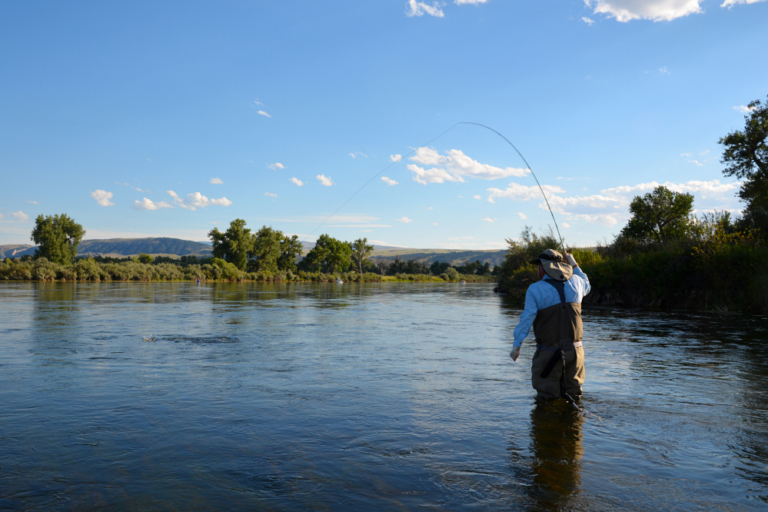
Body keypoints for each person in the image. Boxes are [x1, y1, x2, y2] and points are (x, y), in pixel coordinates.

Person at [509, 249, 590, 400]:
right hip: (575, 353)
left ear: (542, 267)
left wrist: (517, 345)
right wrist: (573, 263)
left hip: (548, 355)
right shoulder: (578, 283)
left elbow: (527, 319)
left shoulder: (535, 289)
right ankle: (574, 422)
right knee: (574, 396)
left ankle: (547, 422)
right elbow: (587, 284)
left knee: (547, 399)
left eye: (537, 266)